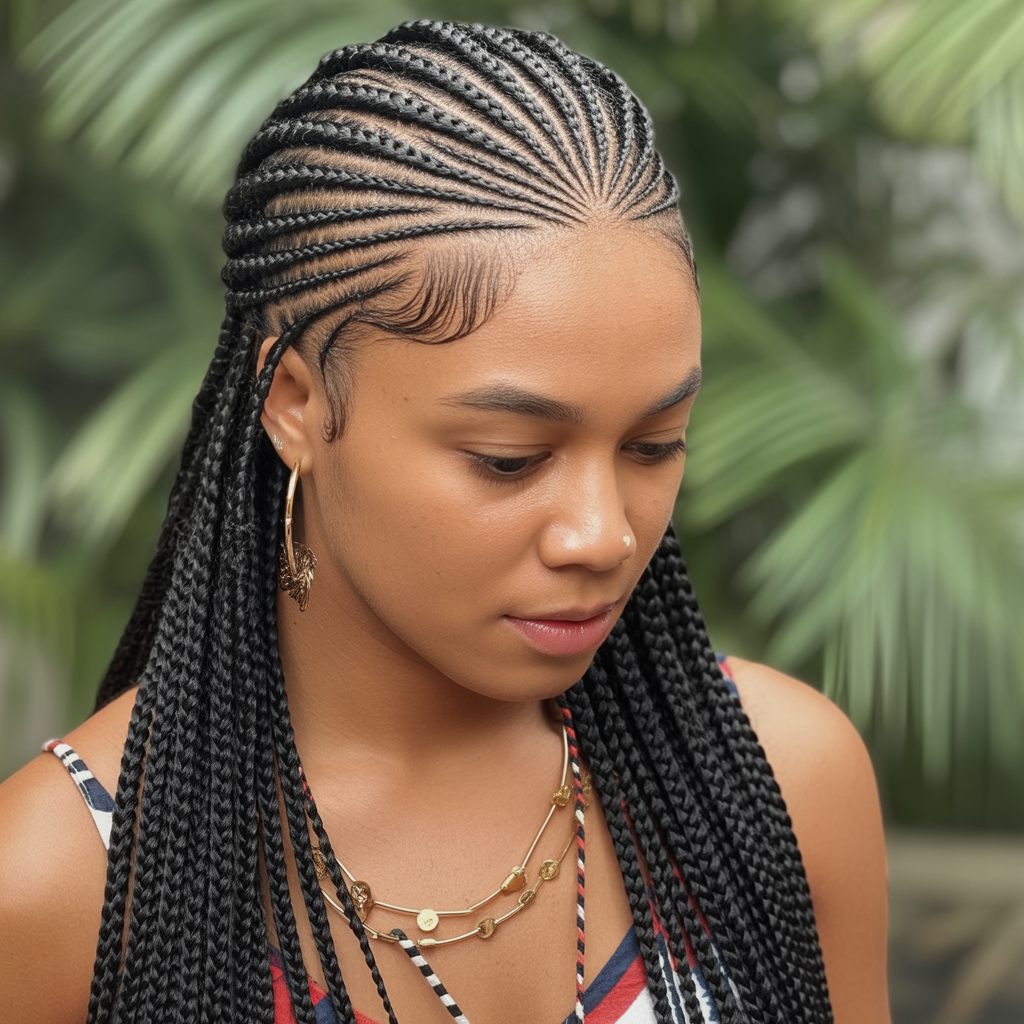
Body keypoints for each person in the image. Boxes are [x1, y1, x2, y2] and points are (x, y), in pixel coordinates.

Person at [0, 19, 889, 1024]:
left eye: (652, 444)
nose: (602, 534)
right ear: (295, 403)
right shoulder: (59, 886)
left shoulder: (773, 779)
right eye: (507, 459)